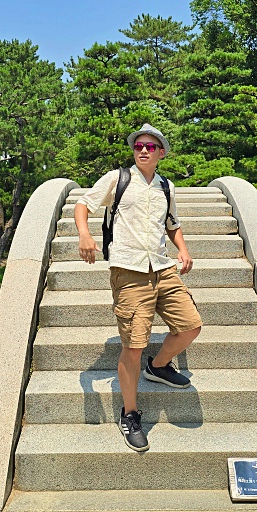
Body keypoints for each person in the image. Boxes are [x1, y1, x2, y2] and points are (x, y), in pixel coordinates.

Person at [73, 124, 202, 452]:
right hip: (128, 271)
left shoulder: (166, 187)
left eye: (150, 146)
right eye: (139, 145)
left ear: (161, 153)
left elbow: (171, 224)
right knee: (133, 344)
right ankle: (130, 414)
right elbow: (82, 205)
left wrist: (183, 249)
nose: (143, 150)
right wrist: (85, 234)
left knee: (190, 326)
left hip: (162, 267)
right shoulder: (117, 179)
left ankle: (157, 366)